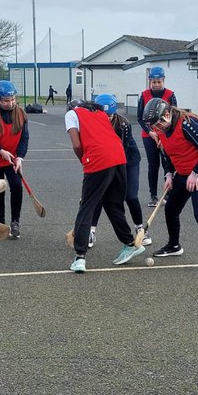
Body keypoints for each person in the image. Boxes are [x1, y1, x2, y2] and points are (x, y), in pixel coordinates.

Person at [142, 98, 198, 275]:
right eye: (152, 126)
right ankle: (174, 245)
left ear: (167, 115)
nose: (156, 129)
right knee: (171, 209)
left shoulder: (187, 125)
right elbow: (166, 154)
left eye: (157, 124)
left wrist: (196, 173)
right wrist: (168, 173)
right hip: (184, 173)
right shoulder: (161, 129)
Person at [66, 98, 146, 272]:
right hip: (119, 158)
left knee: (86, 207)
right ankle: (130, 244)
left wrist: (84, 162)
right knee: (113, 205)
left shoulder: (72, 114)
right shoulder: (99, 112)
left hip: (98, 160)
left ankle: (80, 257)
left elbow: (77, 144)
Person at [88, 93, 149, 249]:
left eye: (110, 115)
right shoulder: (92, 122)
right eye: (104, 115)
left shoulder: (123, 124)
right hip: (106, 160)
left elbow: (122, 151)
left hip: (127, 160)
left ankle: (140, 229)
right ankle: (91, 231)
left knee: (130, 196)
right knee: (99, 195)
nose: (107, 118)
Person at [0, 80, 29, 239]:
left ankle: (15, 222)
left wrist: (20, 158)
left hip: (12, 159)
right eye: (6, 100)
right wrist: (0, 150)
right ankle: (0, 222)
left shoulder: (21, 114)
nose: (10, 103)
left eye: (12, 99)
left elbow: (24, 139)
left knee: (17, 186)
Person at [137, 65, 178, 207]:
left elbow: (174, 116)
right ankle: (153, 196)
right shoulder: (144, 95)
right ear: (150, 82)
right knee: (153, 165)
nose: (156, 84)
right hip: (149, 135)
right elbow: (140, 118)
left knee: (168, 163)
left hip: (165, 135)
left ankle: (168, 194)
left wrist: (163, 135)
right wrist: (150, 132)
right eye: (153, 82)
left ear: (163, 80)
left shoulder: (170, 95)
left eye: (159, 81)